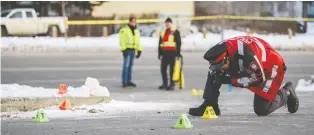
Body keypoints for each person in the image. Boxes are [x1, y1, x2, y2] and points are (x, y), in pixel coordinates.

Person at [189, 36, 299, 116]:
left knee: (262, 110)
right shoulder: (222, 49)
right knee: (214, 73)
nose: (221, 69)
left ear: (227, 58)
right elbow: (216, 68)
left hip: (270, 68)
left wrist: (230, 80)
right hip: (248, 64)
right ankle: (210, 104)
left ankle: (287, 92)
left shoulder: (247, 56)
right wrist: (218, 71)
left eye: (221, 65)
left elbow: (258, 79)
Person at [158, 17, 182, 90]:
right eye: (166, 23)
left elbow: (179, 43)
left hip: (172, 53)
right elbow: (160, 44)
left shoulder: (175, 31)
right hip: (165, 53)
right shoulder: (163, 32)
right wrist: (159, 53)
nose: (167, 24)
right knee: (163, 69)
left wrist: (178, 53)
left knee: (172, 69)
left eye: (169, 23)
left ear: (171, 23)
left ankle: (172, 84)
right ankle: (165, 83)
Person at [119, 17, 142, 88]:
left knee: (130, 66)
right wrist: (123, 50)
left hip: (133, 50)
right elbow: (122, 40)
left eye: (135, 22)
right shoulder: (124, 30)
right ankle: (124, 81)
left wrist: (139, 50)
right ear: (129, 22)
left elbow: (137, 41)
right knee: (126, 66)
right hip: (127, 50)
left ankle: (129, 81)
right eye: (132, 21)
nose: (133, 23)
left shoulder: (136, 31)